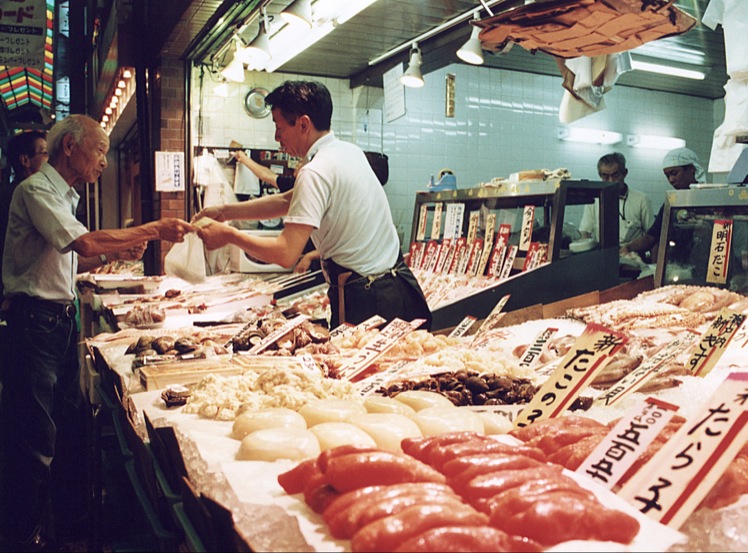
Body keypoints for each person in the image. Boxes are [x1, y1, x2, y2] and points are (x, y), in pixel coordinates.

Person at [0, 114, 194, 551]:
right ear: (70, 146)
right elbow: (84, 244)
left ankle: (68, 529)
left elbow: (72, 259)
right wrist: (154, 228)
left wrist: (119, 251)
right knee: (34, 440)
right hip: (34, 327)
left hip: (56, 322)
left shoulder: (63, 195)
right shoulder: (34, 190)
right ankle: (22, 537)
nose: (104, 162)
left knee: (66, 427)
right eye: (100, 151)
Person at [194, 80, 431, 329]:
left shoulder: (315, 170)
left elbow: (286, 253)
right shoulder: (347, 151)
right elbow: (290, 199)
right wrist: (224, 212)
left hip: (368, 298)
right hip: (397, 288)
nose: (277, 137)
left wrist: (229, 235)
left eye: (279, 127)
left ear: (304, 124)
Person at [622, 147, 705, 260]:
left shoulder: (707, 199)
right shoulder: (672, 203)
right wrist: (628, 247)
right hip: (676, 268)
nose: (671, 180)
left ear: (691, 169)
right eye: (667, 176)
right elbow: (651, 237)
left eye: (674, 173)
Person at [1, 131, 49, 299]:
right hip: (21, 294)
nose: (50, 159)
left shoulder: (12, 191)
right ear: (25, 160)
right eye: (44, 153)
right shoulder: (28, 193)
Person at [580, 152, 654, 249]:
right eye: (605, 176)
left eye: (615, 175)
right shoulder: (594, 201)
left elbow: (653, 237)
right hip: (603, 255)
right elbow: (585, 232)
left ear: (624, 173)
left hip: (634, 256)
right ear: (600, 176)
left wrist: (654, 263)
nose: (611, 181)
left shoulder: (641, 199)